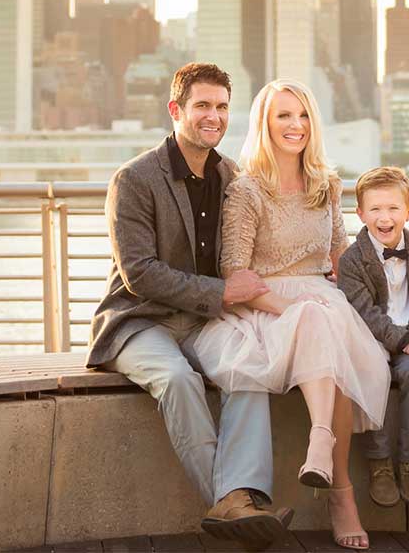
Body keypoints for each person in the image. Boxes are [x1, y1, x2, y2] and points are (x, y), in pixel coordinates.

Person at [87, 63, 293, 551]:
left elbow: (258, 245)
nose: (213, 116)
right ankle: (232, 503)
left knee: (250, 369)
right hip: (139, 321)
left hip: (203, 322)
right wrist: (221, 293)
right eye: (202, 105)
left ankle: (236, 504)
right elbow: (140, 273)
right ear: (176, 110)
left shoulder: (233, 177)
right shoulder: (134, 179)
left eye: (222, 107)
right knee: (177, 378)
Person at [189, 79, 390, 551]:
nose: (294, 126)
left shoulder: (327, 184)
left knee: (331, 326)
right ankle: (337, 482)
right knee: (318, 321)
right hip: (263, 306)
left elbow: (340, 252)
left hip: (322, 297)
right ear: (265, 122)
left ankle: (330, 469)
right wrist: (291, 307)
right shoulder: (246, 190)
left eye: (301, 116)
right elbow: (234, 272)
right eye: (283, 116)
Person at [336, 166, 409, 508]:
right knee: (371, 372)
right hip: (371, 339)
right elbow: (367, 314)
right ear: (360, 213)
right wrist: (406, 341)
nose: (385, 217)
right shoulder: (352, 260)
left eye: (393, 208)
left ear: (408, 211)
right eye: (376, 209)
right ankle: (379, 463)